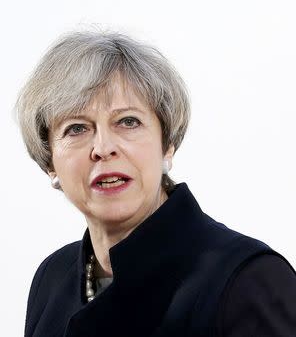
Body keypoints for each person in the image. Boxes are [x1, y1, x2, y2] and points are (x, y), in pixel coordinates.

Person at [17, 31, 296, 337]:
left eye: (128, 122)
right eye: (77, 128)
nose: (103, 147)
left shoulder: (248, 279)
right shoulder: (52, 278)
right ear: (49, 162)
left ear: (167, 146)